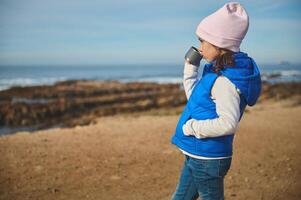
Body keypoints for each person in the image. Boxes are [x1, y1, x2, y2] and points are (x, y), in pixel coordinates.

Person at [170, 2, 262, 200]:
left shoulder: (224, 81)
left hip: (208, 157)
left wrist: (191, 127)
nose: (200, 48)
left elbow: (228, 124)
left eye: (204, 42)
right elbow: (196, 102)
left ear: (220, 45)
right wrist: (191, 70)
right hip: (198, 153)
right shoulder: (216, 71)